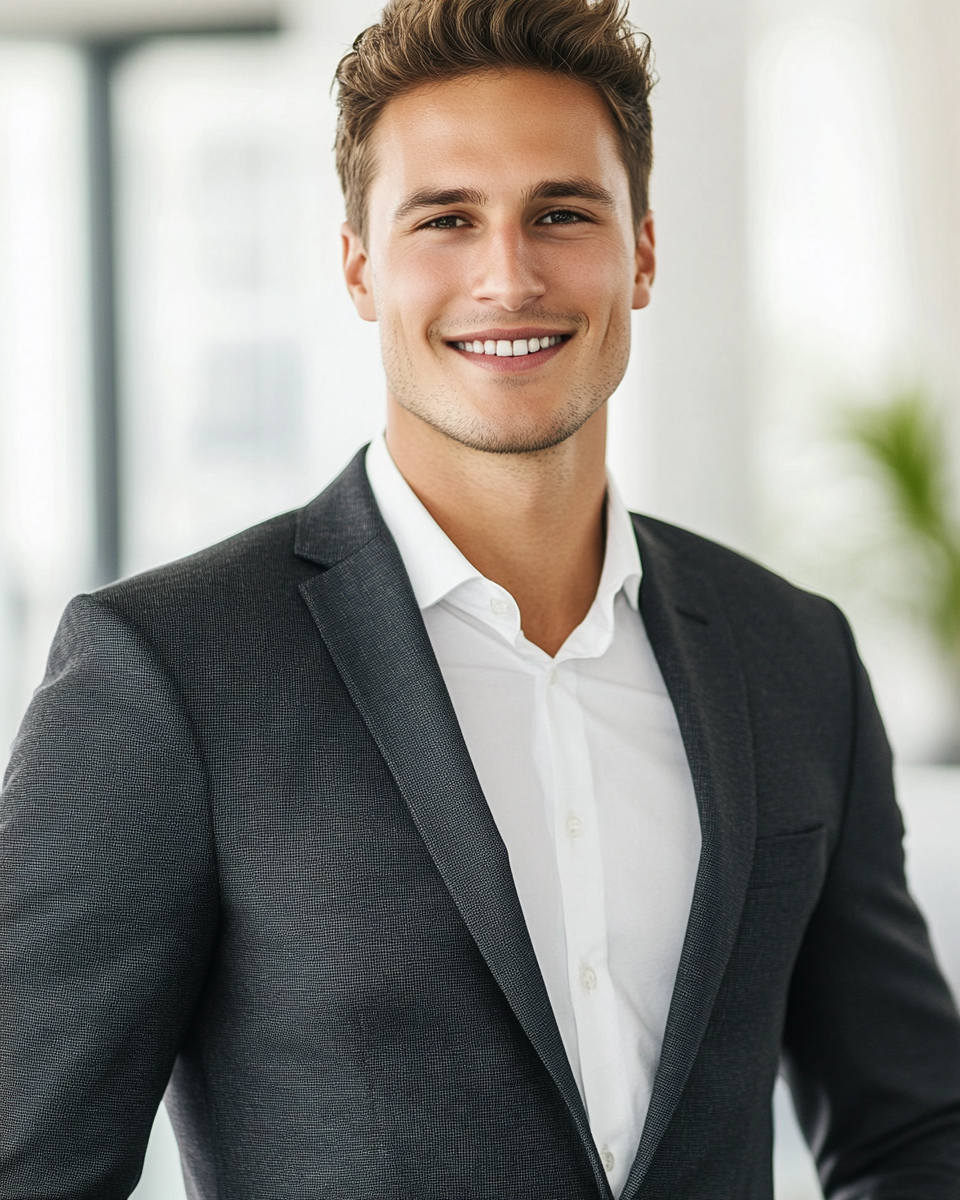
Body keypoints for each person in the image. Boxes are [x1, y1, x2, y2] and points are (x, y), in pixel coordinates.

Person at [3, 0, 960, 1196]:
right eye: (445, 219)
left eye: (562, 213)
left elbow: (915, 1130)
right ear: (360, 266)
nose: (507, 275)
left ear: (643, 252)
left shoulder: (793, 655)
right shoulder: (171, 674)